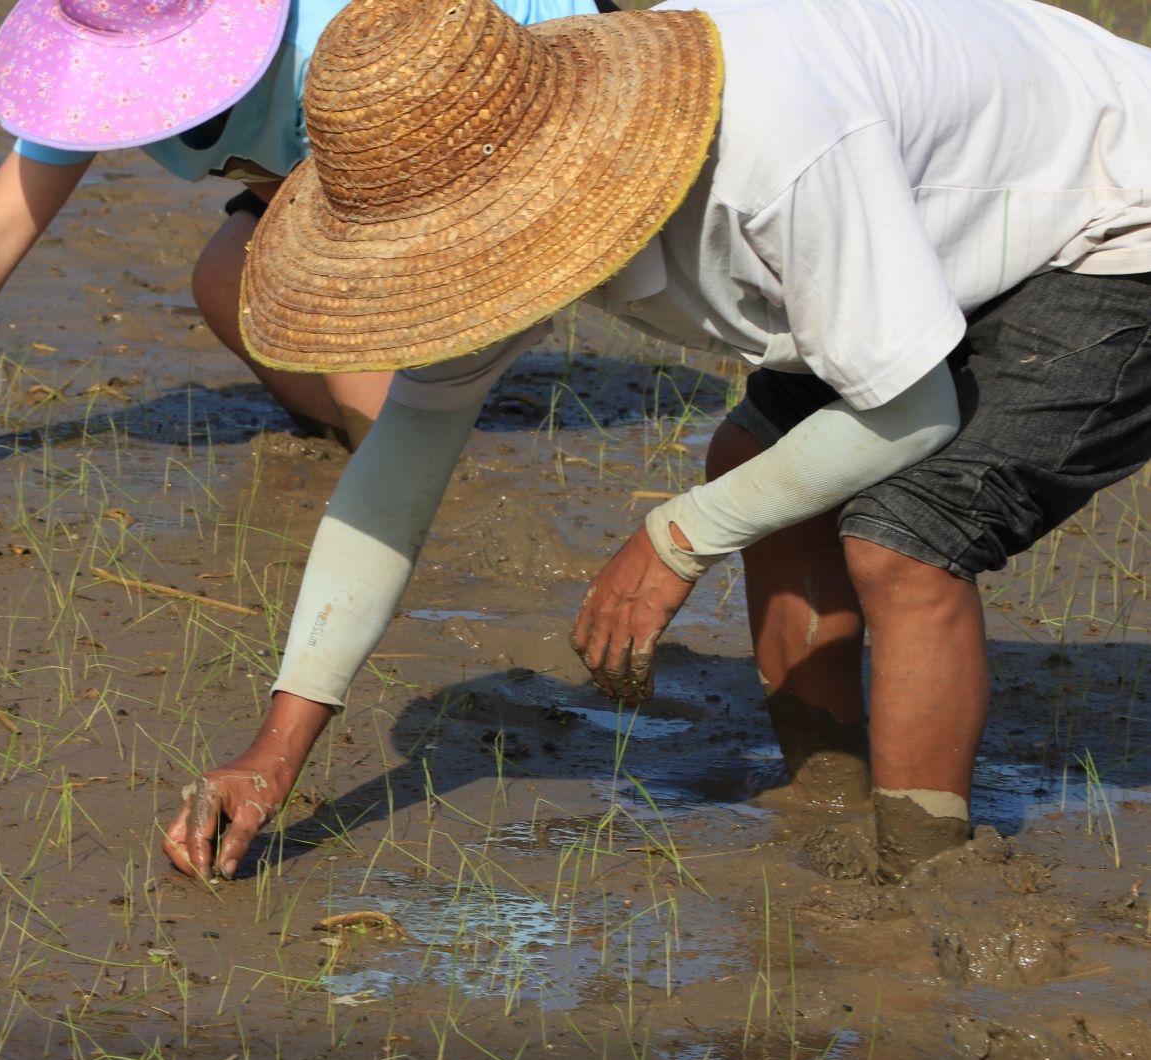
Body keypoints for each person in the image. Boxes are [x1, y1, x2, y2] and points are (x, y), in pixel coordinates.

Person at [163, 0, 1151, 883]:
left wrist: (677, 537)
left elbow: (911, 411)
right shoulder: (499, 187)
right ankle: (826, 795)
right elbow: (399, 464)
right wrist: (275, 749)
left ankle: (924, 877)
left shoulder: (767, 152)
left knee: (905, 537)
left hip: (1108, 208)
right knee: (749, 464)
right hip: (942, 217)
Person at [0, 0, 614, 502]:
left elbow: (392, 219)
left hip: (521, 140)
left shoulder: (323, 48)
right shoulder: (111, 46)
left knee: (346, 346)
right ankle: (408, 427)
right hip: (350, 186)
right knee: (228, 283)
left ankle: (415, 461)